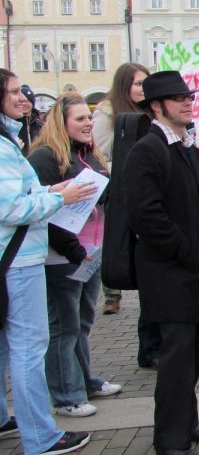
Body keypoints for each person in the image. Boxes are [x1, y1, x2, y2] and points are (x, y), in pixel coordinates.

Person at [122, 71, 199, 455]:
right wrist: (186, 249)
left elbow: (194, 203)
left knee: (190, 356)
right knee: (175, 359)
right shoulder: (147, 149)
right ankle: (169, 438)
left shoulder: (181, 144)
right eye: (178, 98)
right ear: (156, 106)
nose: (188, 102)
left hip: (189, 270)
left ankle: (187, 421)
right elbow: (146, 217)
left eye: (188, 96)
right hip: (168, 273)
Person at [0, 68, 95, 454]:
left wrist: (47, 190)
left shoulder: (10, 141)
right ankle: (41, 436)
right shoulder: (5, 146)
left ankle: (7, 421)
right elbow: (11, 207)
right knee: (29, 347)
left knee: (9, 347)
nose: (24, 98)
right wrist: (59, 198)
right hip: (19, 259)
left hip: (16, 256)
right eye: (12, 93)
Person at [27, 94, 123, 418]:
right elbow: (43, 212)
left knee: (82, 323)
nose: (87, 124)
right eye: (80, 119)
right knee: (63, 327)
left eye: (89, 118)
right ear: (62, 122)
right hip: (62, 257)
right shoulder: (45, 158)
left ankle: (84, 381)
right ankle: (66, 396)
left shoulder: (91, 155)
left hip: (90, 254)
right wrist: (74, 251)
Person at [92, 62, 149, 315]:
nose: (142, 89)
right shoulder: (108, 111)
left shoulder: (148, 109)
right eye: (138, 83)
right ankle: (112, 292)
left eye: (145, 84)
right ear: (124, 85)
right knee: (115, 237)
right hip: (117, 183)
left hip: (142, 184)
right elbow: (100, 153)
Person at [17, 85, 43, 154]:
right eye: (21, 101)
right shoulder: (12, 125)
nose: (24, 104)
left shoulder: (42, 126)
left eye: (28, 101)